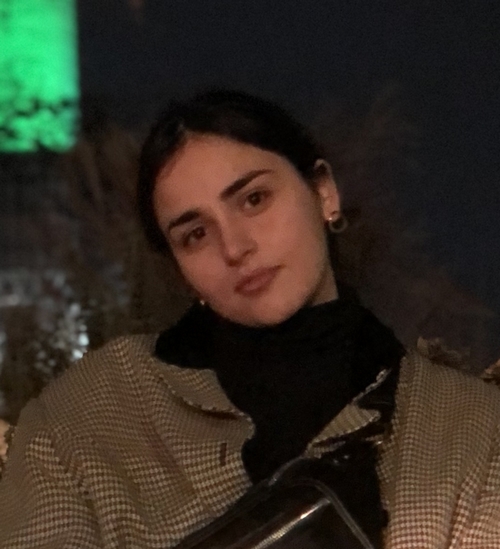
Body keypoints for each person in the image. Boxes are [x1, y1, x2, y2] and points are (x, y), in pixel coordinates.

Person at [0, 89, 499, 548]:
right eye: (195, 234)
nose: (235, 247)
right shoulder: (83, 420)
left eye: (254, 199)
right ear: (179, 269)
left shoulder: (468, 428)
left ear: (323, 192)